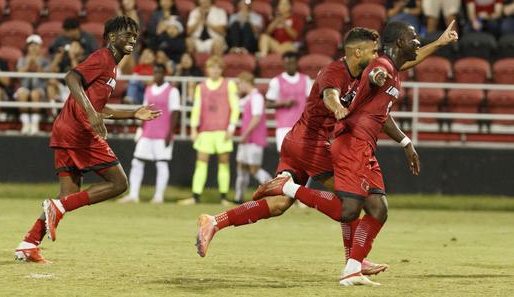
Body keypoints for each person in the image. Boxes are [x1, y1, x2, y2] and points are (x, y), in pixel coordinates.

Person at [195, 23, 458, 281]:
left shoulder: (366, 69)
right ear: (358, 52)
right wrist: (338, 109)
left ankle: (214, 221)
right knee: (351, 201)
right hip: (313, 144)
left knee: (278, 206)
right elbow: (330, 94)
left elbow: (403, 62)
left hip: (297, 141)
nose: (376, 55)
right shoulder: (334, 73)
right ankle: (352, 261)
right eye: (372, 51)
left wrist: (439, 43)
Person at [14, 16, 160, 264]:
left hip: (65, 128)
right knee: (119, 183)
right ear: (112, 37)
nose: (132, 39)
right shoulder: (104, 57)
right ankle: (58, 208)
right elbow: (71, 77)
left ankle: (29, 244)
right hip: (78, 132)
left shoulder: (113, 67)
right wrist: (91, 115)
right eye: (127, 34)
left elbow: (99, 106)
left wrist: (132, 113)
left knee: (68, 194)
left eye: (135, 36)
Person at [177, 56, 240, 205]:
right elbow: (197, 108)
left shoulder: (228, 85)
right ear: (208, 69)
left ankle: (224, 197)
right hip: (205, 131)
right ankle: (195, 196)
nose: (215, 70)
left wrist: (231, 127)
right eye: (212, 67)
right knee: (201, 162)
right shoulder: (201, 87)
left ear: (221, 69)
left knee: (224, 163)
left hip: (222, 130)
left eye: (217, 67)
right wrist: (193, 128)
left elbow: (235, 107)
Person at [118, 63, 180, 204]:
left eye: (159, 72)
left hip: (162, 134)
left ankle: (158, 196)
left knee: (161, 164)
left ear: (165, 74)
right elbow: (144, 112)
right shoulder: (149, 89)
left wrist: (170, 134)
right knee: (137, 162)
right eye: (155, 72)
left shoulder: (172, 91)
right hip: (147, 133)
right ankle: (133, 195)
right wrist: (140, 129)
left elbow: (175, 113)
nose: (156, 75)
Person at [234, 71, 271, 204]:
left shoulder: (257, 97)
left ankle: (275, 191)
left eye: (240, 84)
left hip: (254, 139)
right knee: (242, 167)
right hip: (247, 140)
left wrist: (245, 134)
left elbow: (256, 118)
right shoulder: (250, 97)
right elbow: (236, 103)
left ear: (246, 83)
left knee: (254, 169)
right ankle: (238, 198)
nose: (239, 87)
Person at [265, 51, 312, 152]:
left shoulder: (306, 80)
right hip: (283, 125)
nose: (289, 66)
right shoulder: (276, 81)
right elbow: (268, 104)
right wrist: (283, 103)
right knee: (285, 157)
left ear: (296, 63)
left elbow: (312, 101)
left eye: (291, 63)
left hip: (302, 125)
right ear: (283, 64)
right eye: (287, 63)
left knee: (301, 156)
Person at [15, 35, 50, 135]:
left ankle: (35, 124)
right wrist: (28, 65)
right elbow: (19, 76)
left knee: (35, 94)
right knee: (22, 94)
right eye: (31, 45)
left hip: (40, 89)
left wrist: (37, 66)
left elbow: (45, 77)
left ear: (40, 47)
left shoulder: (45, 60)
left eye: (36, 45)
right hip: (24, 87)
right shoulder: (22, 59)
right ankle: (25, 124)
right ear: (27, 47)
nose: (33, 48)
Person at [47, 40, 86, 109]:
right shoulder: (65, 59)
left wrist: (73, 58)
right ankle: (53, 110)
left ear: (81, 50)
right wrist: (57, 57)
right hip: (63, 87)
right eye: (72, 46)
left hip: (77, 89)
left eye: (75, 46)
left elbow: (77, 74)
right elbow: (51, 71)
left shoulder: (85, 59)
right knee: (51, 82)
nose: (72, 48)